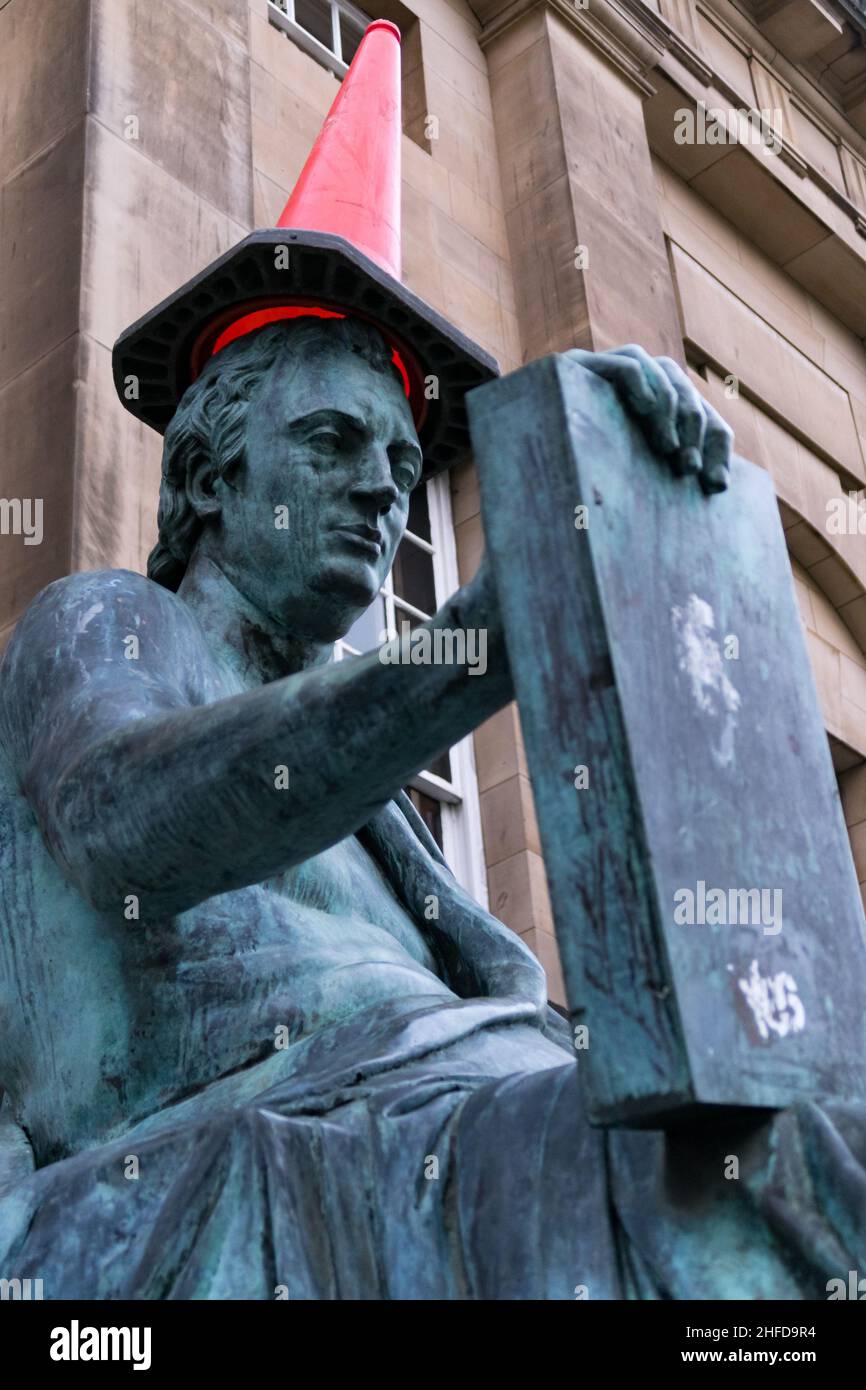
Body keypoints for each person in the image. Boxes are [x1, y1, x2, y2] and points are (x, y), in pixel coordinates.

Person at [0, 317, 860, 1299]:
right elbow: (118, 823)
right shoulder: (113, 622)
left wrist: (623, 483)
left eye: (402, 461)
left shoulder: (380, 808)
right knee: (766, 1157)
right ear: (206, 479)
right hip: (328, 1136)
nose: (382, 490)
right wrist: (482, 640)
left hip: (456, 1099)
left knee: (809, 1113)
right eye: (332, 443)